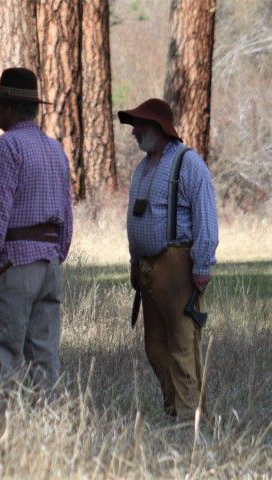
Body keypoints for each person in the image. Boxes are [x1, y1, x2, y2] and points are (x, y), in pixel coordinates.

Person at [0, 67, 73, 392]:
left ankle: (5, 430)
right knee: (44, 356)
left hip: (13, 264)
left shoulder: (6, 147)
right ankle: (47, 426)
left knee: (3, 352)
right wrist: (58, 254)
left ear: (12, 107)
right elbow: (66, 215)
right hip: (49, 266)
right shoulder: (55, 149)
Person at [119, 98, 218, 420]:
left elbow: (206, 219)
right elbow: (136, 219)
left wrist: (201, 266)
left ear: (158, 128)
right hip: (148, 267)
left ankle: (189, 419)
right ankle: (175, 409)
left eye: (140, 125)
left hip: (178, 264)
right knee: (155, 347)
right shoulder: (144, 167)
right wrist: (135, 263)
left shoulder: (188, 164)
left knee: (182, 345)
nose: (134, 132)